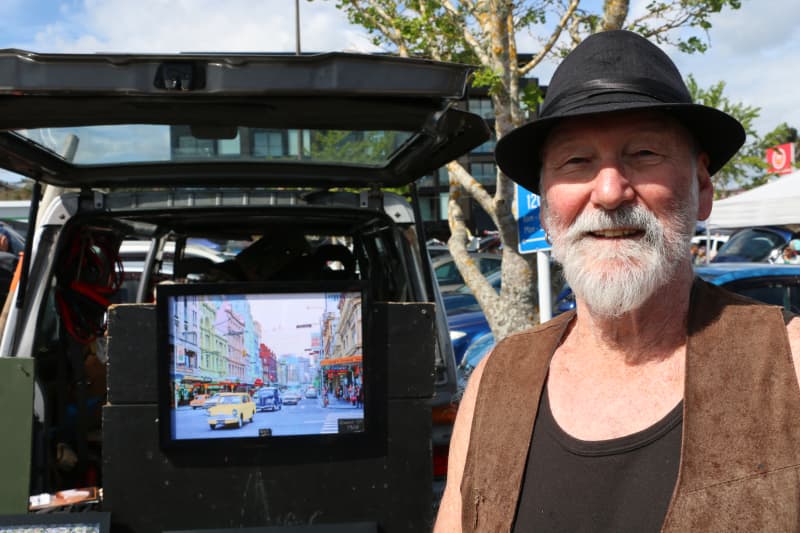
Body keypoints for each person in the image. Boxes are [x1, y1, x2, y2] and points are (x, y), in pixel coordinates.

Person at [435, 30, 800, 532]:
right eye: (576, 161)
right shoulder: (495, 382)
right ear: (546, 207)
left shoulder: (788, 367)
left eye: (644, 153)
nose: (609, 192)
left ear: (702, 187)